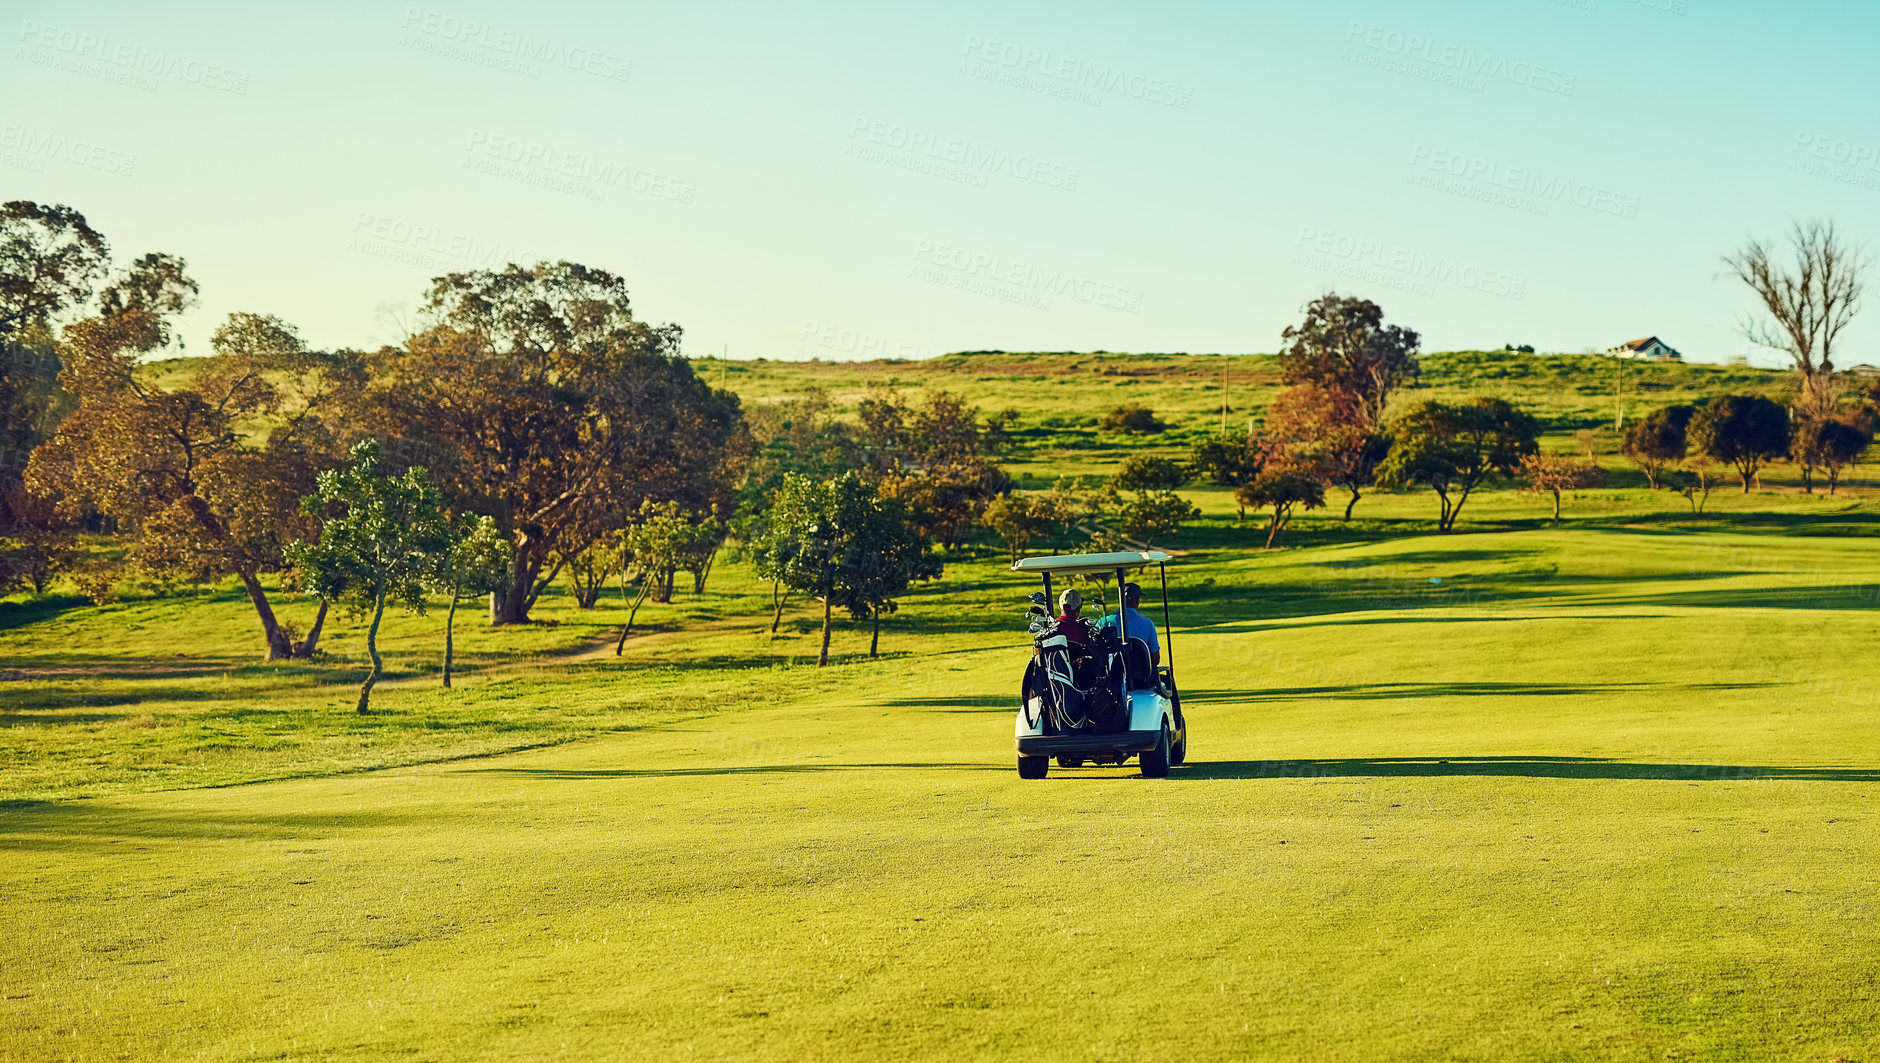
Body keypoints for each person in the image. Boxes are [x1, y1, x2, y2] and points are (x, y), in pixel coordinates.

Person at [1097, 582, 1160, 665]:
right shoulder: (1148, 624)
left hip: (1112, 675)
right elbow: (1155, 659)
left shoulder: (1103, 622)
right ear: (1137, 600)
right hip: (1139, 675)